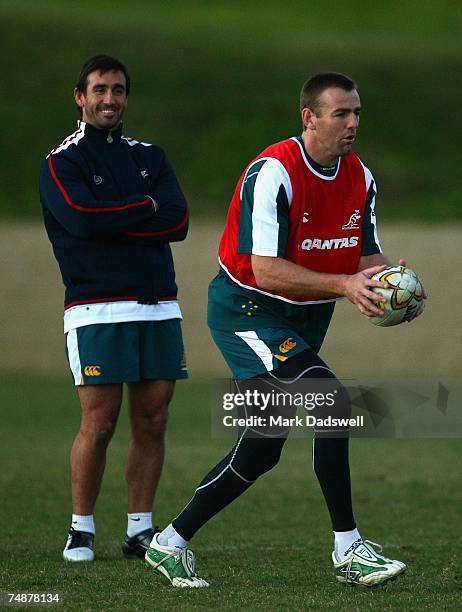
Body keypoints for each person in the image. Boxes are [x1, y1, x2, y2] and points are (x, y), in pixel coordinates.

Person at [144, 72, 426, 588]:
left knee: (262, 446)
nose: (353, 123)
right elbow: (266, 268)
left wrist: (396, 285)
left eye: (357, 112)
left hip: (302, 318)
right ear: (309, 117)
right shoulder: (274, 171)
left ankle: (170, 542)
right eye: (341, 113)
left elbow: (365, 253)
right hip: (247, 311)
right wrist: (343, 284)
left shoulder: (359, 177)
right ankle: (349, 549)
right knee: (332, 402)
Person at [39, 54, 189, 562]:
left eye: (118, 90)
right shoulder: (62, 162)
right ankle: (81, 528)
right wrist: (144, 208)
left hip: (157, 305)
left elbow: (178, 220)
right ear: (80, 98)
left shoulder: (152, 155)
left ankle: (140, 529)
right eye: (99, 89)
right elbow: (81, 220)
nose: (110, 99)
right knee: (99, 423)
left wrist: (117, 221)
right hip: (96, 309)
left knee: (153, 419)